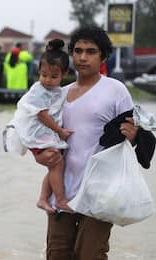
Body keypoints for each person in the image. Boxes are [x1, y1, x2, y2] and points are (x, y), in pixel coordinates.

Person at [32, 26, 140, 259]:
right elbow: (37, 134)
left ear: (103, 56)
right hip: (62, 193)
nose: (82, 57)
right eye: (78, 51)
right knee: (57, 254)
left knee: (91, 254)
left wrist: (133, 136)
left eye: (90, 51)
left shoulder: (115, 90)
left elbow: (136, 133)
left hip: (101, 192)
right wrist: (39, 155)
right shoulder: (59, 93)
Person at [7, 39, 73, 213]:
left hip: (42, 135)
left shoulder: (57, 91)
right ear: (38, 72)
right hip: (37, 135)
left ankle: (43, 199)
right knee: (57, 164)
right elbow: (42, 115)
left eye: (53, 76)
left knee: (55, 167)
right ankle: (60, 200)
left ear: (64, 74)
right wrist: (60, 131)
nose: (47, 80)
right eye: (44, 75)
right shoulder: (39, 90)